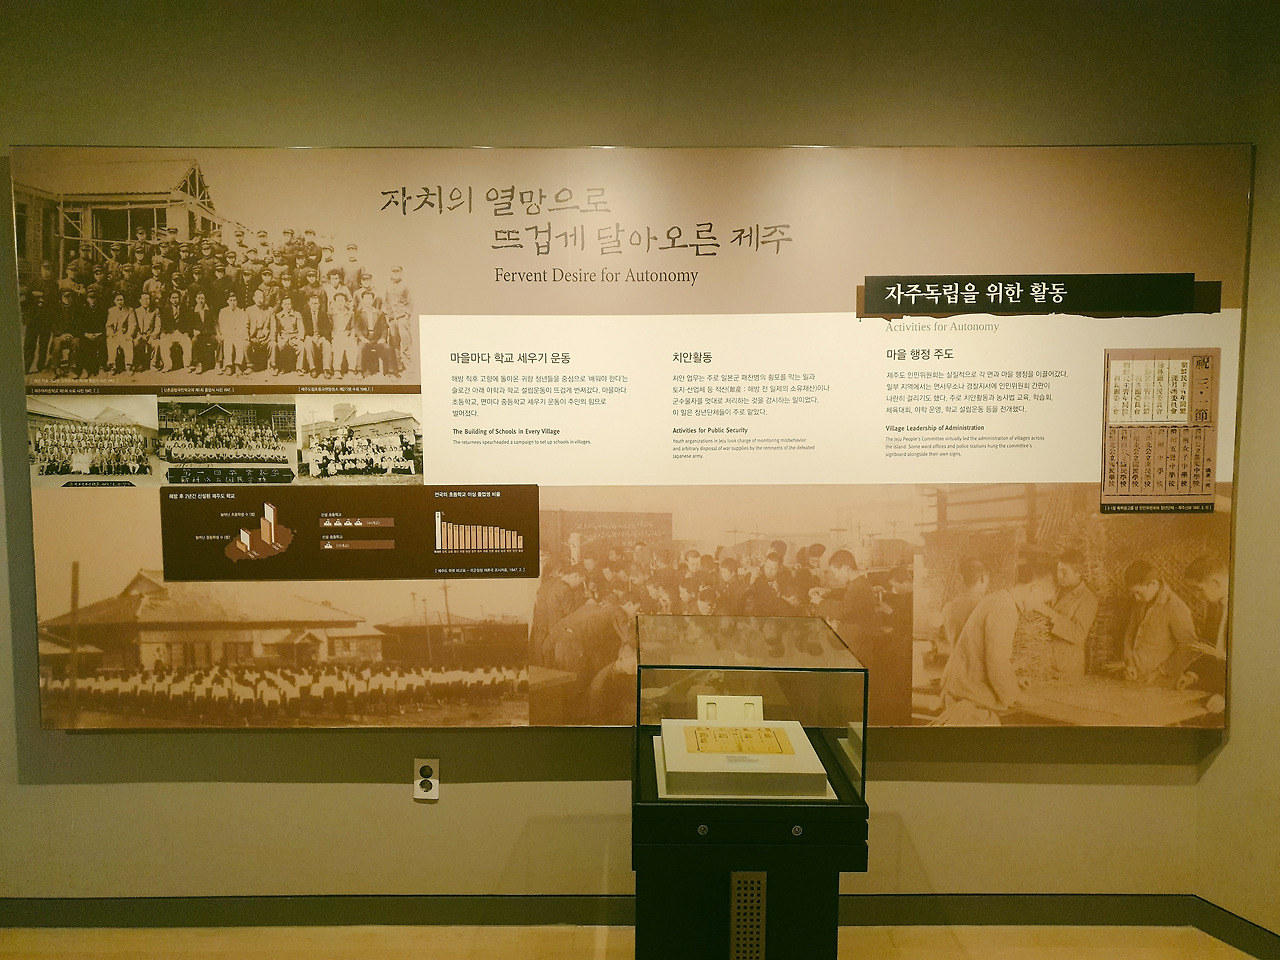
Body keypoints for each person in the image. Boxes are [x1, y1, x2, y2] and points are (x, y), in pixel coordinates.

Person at [937, 559, 1058, 725]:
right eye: (1043, 601)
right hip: (970, 705)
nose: (1038, 607)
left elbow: (983, 656)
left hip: (963, 693)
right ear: (1033, 589)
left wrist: (1013, 680)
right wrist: (1019, 698)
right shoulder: (1004, 609)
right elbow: (998, 664)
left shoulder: (998, 599)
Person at [1121, 558, 1197, 685]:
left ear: (1152, 583)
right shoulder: (1140, 602)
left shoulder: (1176, 607)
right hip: (1135, 678)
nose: (1136, 598)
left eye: (1138, 592)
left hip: (1161, 682)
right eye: (1133, 593)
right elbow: (1130, 634)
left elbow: (1188, 648)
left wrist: (1159, 672)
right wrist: (1129, 663)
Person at [1033, 549, 1097, 679]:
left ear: (1078, 573)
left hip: (1066, 668)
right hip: (1047, 662)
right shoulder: (1057, 589)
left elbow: (1079, 634)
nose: (1059, 575)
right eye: (1058, 570)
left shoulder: (1087, 599)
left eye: (1064, 572)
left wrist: (1052, 614)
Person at [938, 557, 989, 659]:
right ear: (983, 578)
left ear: (960, 578)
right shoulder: (988, 607)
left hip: (956, 665)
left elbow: (945, 645)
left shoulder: (948, 608)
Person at [217, 291, 250, 375]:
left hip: (238, 334)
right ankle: (229, 366)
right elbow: (221, 325)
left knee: (239, 342)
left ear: (237, 301)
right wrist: (224, 334)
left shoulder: (241, 312)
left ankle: (237, 365)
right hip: (227, 334)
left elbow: (245, 325)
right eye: (231, 300)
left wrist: (243, 334)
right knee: (228, 342)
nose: (232, 302)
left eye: (234, 300)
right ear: (227, 301)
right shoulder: (223, 311)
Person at [104, 292, 137, 374]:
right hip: (115, 334)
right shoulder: (111, 310)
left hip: (125, 334)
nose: (120, 302)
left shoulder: (130, 310)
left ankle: (128, 366)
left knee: (128, 342)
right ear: (114, 301)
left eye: (121, 300)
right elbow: (108, 325)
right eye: (118, 300)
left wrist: (129, 334)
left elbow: (132, 324)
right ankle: (112, 366)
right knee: (110, 341)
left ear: (124, 300)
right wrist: (111, 333)